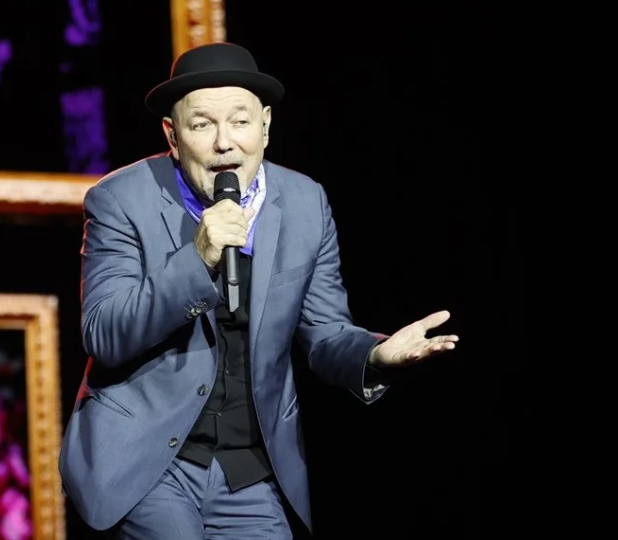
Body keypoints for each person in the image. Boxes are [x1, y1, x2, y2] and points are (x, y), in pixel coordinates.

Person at [58, 41, 459, 539]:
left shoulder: (305, 203)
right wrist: (197, 258)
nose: (225, 143)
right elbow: (104, 333)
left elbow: (325, 333)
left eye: (241, 122)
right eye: (202, 124)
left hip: (249, 470)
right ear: (173, 134)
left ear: (265, 126)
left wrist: (375, 357)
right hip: (146, 463)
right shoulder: (120, 199)